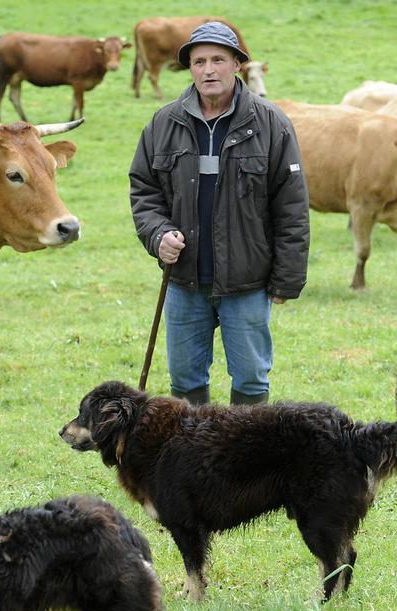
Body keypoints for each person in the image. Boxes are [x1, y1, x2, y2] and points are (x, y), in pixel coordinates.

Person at [129, 21, 309, 406]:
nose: (208, 70)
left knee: (250, 379)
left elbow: (291, 206)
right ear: (189, 69)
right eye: (198, 62)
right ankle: (196, 462)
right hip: (184, 281)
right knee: (184, 380)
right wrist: (158, 234)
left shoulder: (271, 123)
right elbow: (144, 191)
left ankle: (248, 463)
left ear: (238, 65)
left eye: (217, 60)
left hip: (247, 282)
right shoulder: (164, 123)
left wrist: (287, 279)